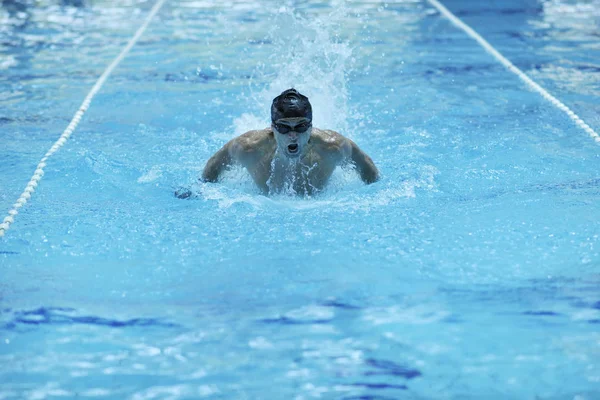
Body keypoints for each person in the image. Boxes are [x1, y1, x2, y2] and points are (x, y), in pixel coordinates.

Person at [180, 88, 379, 197]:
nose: (293, 136)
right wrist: (197, 192)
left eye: (300, 127)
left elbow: (368, 170)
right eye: (284, 128)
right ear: (273, 128)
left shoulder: (333, 146)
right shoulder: (247, 148)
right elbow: (213, 167)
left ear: (311, 127)